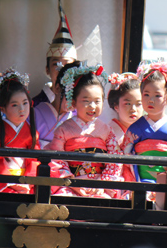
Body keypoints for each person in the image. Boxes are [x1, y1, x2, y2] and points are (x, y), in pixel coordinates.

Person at [47, 63, 122, 197]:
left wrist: (102, 183)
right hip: (71, 185)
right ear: (74, 102)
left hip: (100, 185)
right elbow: (57, 160)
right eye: (86, 101)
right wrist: (72, 182)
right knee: (62, 200)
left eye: (97, 101)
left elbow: (115, 160)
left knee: (108, 204)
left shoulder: (106, 130)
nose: (92, 106)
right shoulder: (63, 130)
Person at [123, 59, 167, 184]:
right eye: (146, 94)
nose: (151, 100)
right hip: (139, 181)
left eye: (157, 95)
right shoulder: (135, 128)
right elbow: (124, 156)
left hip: (166, 182)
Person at [0, 68, 39, 194]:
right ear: (2, 109)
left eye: (25, 103)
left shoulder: (31, 132)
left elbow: (35, 161)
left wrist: (27, 182)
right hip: (4, 184)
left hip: (26, 184)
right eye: (14, 105)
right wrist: (13, 183)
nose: (22, 109)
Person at [32, 0, 77, 106]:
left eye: (68, 64)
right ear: (47, 70)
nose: (62, 69)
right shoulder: (33, 105)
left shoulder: (81, 105)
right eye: (56, 64)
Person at [106, 72, 143, 183]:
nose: (133, 109)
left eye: (139, 103)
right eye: (127, 103)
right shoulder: (108, 132)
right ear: (116, 106)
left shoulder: (146, 131)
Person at [34, 60, 80, 148]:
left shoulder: (78, 118)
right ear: (58, 87)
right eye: (70, 95)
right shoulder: (35, 114)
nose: (73, 102)